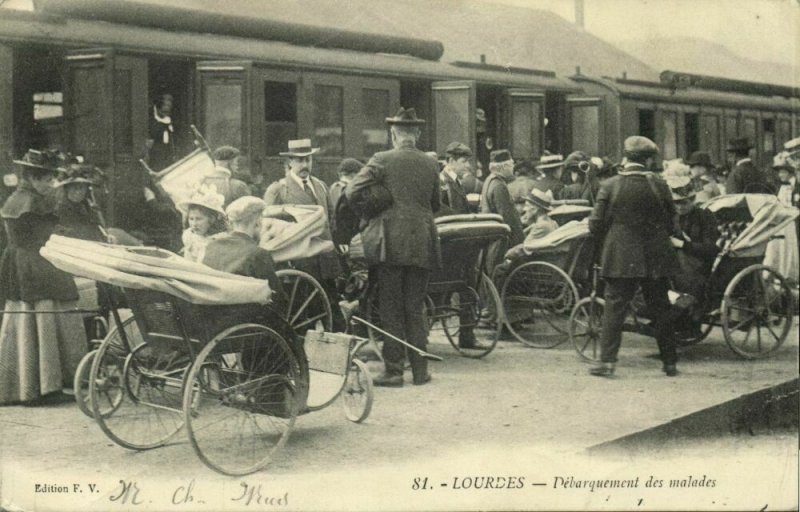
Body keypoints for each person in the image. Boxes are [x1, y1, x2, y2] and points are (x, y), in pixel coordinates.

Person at [346, 107, 440, 387]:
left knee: (391, 308)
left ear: (393, 134)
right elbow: (435, 204)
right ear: (417, 134)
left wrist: (375, 206)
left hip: (389, 245)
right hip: (422, 242)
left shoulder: (381, 159)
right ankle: (420, 371)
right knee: (415, 307)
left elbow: (352, 191)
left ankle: (395, 371)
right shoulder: (430, 163)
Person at [588, 136, 680, 377]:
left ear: (625, 158)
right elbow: (672, 223)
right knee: (661, 307)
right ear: (648, 160)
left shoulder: (610, 185)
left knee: (614, 307)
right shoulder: (659, 185)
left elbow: (595, 225)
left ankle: (607, 362)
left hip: (621, 256)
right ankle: (670, 362)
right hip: (656, 257)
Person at [0, 149, 87, 404]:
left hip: (29, 262)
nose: (51, 185)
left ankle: (39, 384)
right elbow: (41, 234)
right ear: (34, 179)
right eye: (47, 180)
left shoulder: (23, 199)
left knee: (34, 322)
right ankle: (41, 387)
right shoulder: (28, 202)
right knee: (41, 319)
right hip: (33, 265)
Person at [264, 139, 344, 331]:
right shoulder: (278, 189)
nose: (305, 165)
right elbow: (267, 225)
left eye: (308, 160)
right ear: (289, 162)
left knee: (333, 314)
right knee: (301, 317)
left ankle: (338, 358)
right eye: (299, 161)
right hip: (298, 266)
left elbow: (331, 221)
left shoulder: (321, 186)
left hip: (325, 262)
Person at [202, 196, 286, 313]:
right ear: (258, 222)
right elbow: (279, 300)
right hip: (247, 319)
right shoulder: (258, 254)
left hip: (211, 314)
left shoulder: (211, 246)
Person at [666, 176, 720, 334]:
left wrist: (682, 244)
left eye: (684, 202)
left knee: (683, 278)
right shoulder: (673, 217)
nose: (680, 207)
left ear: (693, 199)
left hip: (699, 265)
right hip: (677, 261)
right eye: (676, 203)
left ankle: (687, 320)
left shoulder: (705, 217)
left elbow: (711, 248)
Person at [480, 149, 525, 274]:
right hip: (500, 240)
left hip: (491, 236)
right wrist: (521, 241)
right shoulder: (499, 186)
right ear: (504, 167)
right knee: (498, 272)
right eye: (511, 165)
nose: (513, 168)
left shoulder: (489, 181)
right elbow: (508, 217)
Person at [53, 162, 106, 242]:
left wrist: (106, 235)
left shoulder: (86, 206)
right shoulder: (60, 208)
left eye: (81, 188)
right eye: (74, 188)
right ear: (67, 189)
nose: (78, 192)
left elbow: (98, 227)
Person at [177, 184, 226, 263]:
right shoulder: (189, 236)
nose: (194, 224)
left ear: (212, 219)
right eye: (191, 219)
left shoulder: (217, 240)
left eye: (199, 219)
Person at [439, 142, 477, 215]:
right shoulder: (442, 181)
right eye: (464, 161)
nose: (468, 165)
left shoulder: (456, 180)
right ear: (452, 161)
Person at [145, 93, 178, 172]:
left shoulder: (169, 120)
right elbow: (149, 143)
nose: (167, 108)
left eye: (169, 105)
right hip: (156, 157)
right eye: (165, 105)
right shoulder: (152, 121)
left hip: (168, 156)